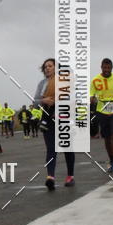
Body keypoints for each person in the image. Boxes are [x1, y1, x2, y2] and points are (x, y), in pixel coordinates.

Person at [34, 58, 75, 190]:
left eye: (50, 66)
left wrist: (56, 101)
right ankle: (50, 177)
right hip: (48, 118)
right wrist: (44, 100)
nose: (47, 68)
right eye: (45, 66)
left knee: (67, 148)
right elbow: (35, 101)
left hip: (64, 117)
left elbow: (72, 97)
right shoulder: (42, 84)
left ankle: (70, 176)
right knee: (51, 148)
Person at [90, 58, 113, 174]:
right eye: (104, 68)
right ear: (101, 67)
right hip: (102, 110)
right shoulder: (95, 80)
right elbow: (91, 93)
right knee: (106, 138)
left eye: (108, 68)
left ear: (111, 68)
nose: (106, 70)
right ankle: (111, 160)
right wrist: (92, 98)